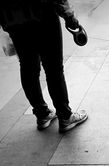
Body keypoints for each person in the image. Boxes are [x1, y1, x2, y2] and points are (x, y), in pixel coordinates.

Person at [0, 0, 87, 132]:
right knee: (54, 68)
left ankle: (42, 114)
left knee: (28, 67)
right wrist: (69, 16)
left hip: (13, 19)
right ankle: (65, 116)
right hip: (42, 13)